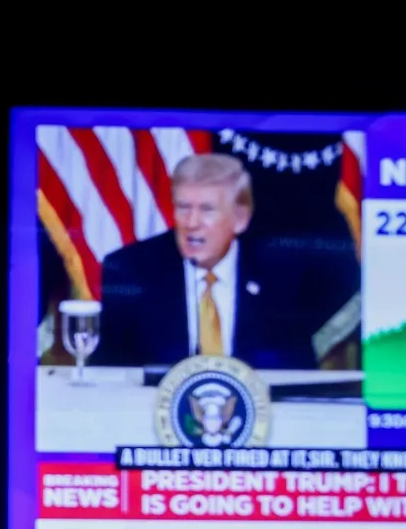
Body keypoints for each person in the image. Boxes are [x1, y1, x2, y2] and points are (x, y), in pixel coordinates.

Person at [95, 152, 327, 371]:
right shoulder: (131, 269)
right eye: (183, 208)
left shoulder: (282, 276)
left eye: (207, 210)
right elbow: (113, 371)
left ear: (240, 218)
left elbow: (297, 371)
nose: (192, 223)